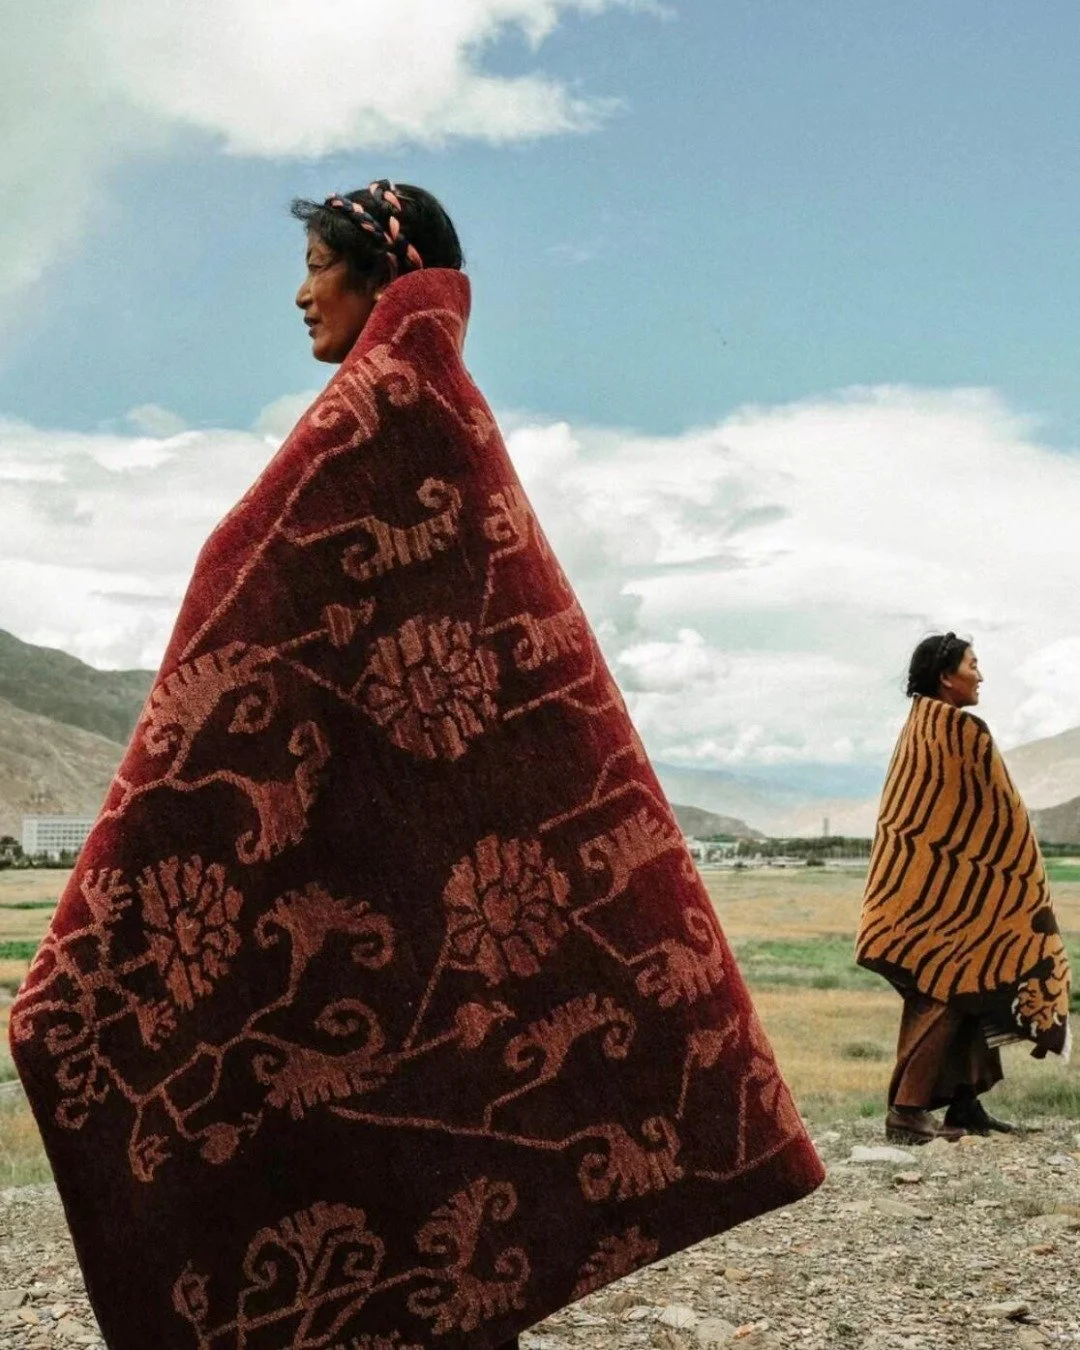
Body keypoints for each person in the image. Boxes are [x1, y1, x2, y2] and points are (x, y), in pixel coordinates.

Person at [12, 181, 823, 1350]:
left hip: (454, 872)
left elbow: (278, 585)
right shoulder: (418, 397)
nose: (299, 292)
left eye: (316, 263)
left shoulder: (389, 404)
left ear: (381, 268)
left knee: (426, 1071)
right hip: (385, 860)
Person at [856, 632, 1071, 1146]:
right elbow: (985, 818)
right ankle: (906, 1111)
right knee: (947, 990)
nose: (981, 675)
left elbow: (977, 820)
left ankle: (963, 1105)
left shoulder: (922, 728)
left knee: (970, 987)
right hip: (940, 900)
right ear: (945, 676)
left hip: (938, 896)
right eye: (973, 665)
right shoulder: (957, 732)